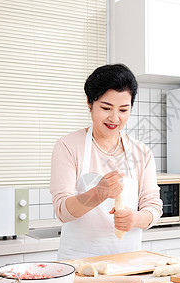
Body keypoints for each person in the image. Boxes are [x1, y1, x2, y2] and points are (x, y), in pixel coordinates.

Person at [50, 64, 163, 260]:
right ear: (89, 102)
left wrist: (135, 218)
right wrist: (98, 193)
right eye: (106, 108)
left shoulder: (141, 153)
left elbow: (153, 206)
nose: (115, 118)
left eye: (123, 110)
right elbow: (63, 211)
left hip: (129, 263)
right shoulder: (68, 146)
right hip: (79, 264)